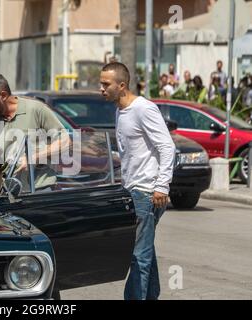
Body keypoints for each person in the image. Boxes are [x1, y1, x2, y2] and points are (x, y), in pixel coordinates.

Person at [99, 62, 176, 300]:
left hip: (146, 192)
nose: (101, 88)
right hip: (131, 191)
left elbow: (167, 147)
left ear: (121, 86)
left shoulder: (143, 109)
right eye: (101, 83)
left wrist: (161, 186)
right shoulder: (120, 110)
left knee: (137, 254)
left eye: (106, 84)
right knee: (145, 252)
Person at [0, 73, 69, 191]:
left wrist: (34, 158)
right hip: (7, 193)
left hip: (39, 191)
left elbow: (66, 141)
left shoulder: (35, 110)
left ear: (3, 95)